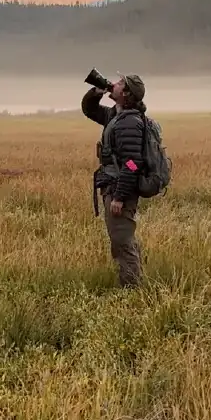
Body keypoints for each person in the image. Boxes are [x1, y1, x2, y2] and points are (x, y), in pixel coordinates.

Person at [81, 73, 147, 288]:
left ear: (126, 93)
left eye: (119, 83)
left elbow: (132, 164)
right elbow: (90, 111)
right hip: (113, 184)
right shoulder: (116, 115)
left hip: (121, 188)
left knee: (122, 241)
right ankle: (132, 283)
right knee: (121, 238)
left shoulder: (129, 122)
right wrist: (95, 94)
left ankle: (131, 292)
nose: (113, 83)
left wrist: (119, 196)